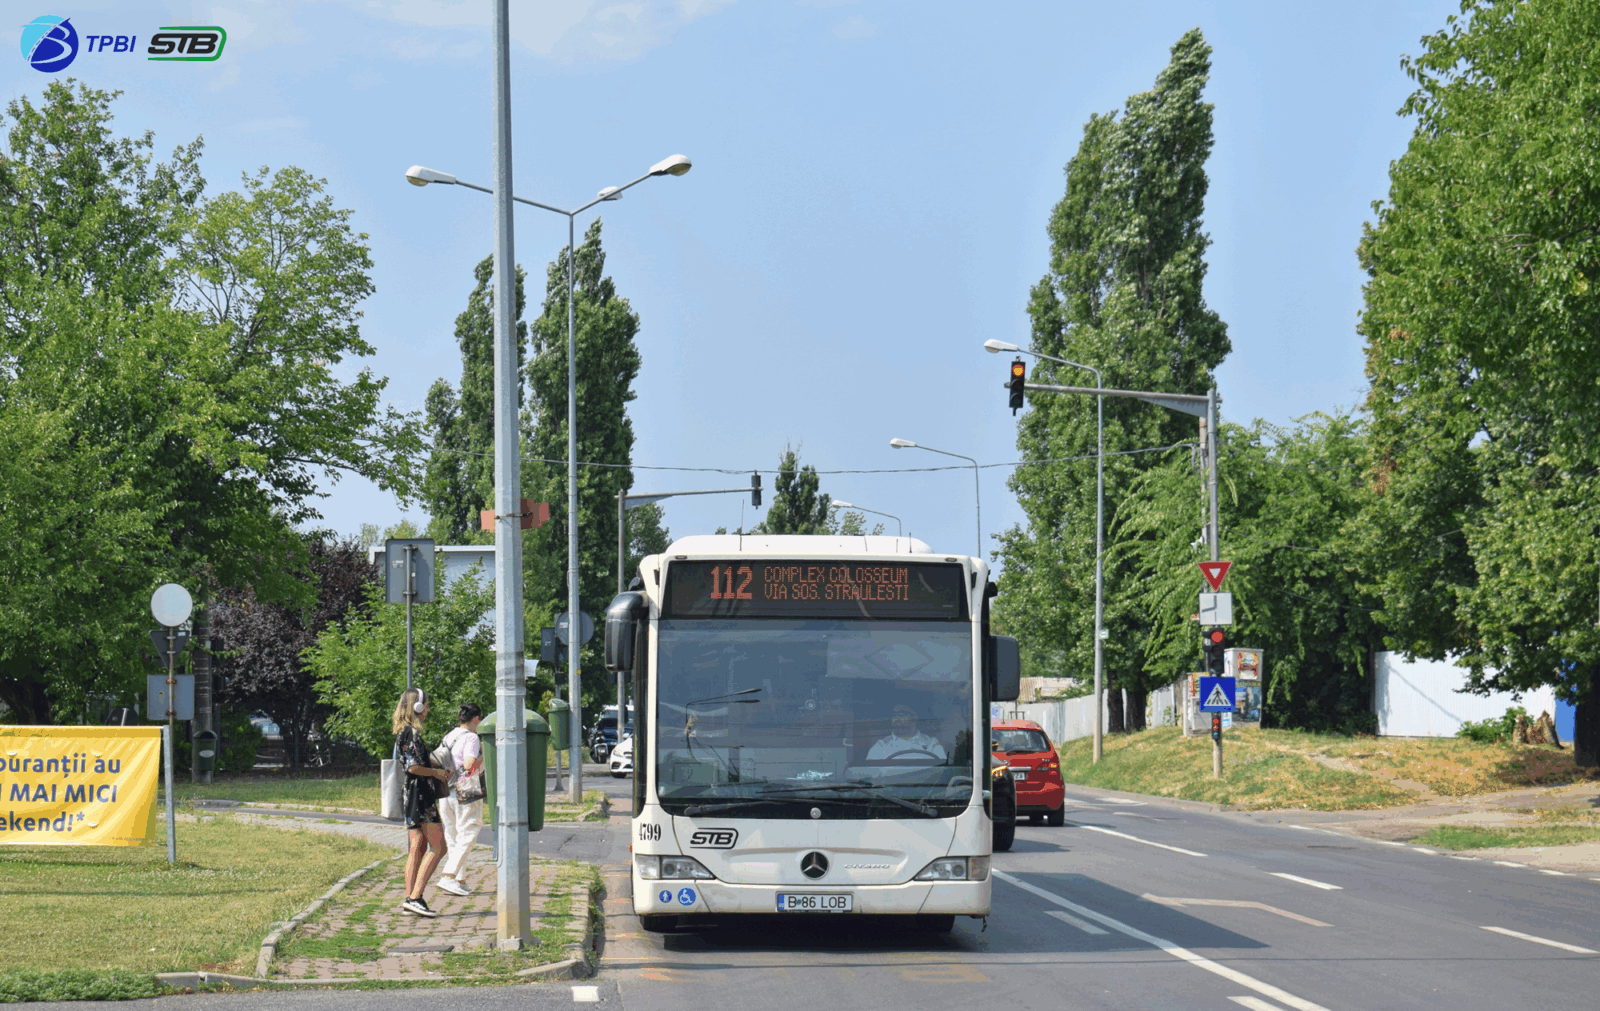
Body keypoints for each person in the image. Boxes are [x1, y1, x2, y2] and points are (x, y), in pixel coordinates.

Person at [394, 686, 450, 917]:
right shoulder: (413, 734)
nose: (427, 709)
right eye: (425, 705)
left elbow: (416, 762)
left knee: (417, 847)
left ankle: (409, 899)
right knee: (439, 847)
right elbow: (414, 766)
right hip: (421, 795)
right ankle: (415, 897)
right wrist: (436, 774)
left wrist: (434, 766)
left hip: (411, 795)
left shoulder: (402, 732)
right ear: (417, 707)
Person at [436, 702, 484, 897]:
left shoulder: (449, 736)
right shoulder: (472, 737)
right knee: (469, 832)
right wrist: (486, 756)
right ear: (475, 719)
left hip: (445, 791)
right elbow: (469, 764)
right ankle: (448, 875)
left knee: (453, 835)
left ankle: (459, 879)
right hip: (464, 790)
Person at [866, 703, 947, 761]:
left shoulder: (932, 743)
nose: (896, 718)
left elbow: (942, 771)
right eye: (894, 715)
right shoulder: (881, 746)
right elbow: (870, 775)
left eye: (901, 714)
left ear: (914, 716)